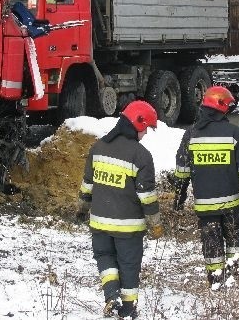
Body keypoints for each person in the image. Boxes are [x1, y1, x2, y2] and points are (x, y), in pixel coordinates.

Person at [76, 100, 163, 320]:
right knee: (129, 265)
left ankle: (111, 296)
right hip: (129, 228)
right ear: (137, 123)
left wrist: (81, 211)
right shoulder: (141, 156)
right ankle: (127, 309)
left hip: (98, 224)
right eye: (146, 130)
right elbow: (147, 197)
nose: (145, 135)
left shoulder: (98, 147)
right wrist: (156, 225)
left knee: (105, 259)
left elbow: (87, 185)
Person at [172, 86, 239, 287]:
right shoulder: (233, 133)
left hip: (205, 205)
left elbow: (182, 170)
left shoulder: (191, 135)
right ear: (223, 108)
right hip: (231, 203)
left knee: (211, 242)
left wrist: (179, 195)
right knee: (234, 237)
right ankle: (234, 274)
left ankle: (215, 279)